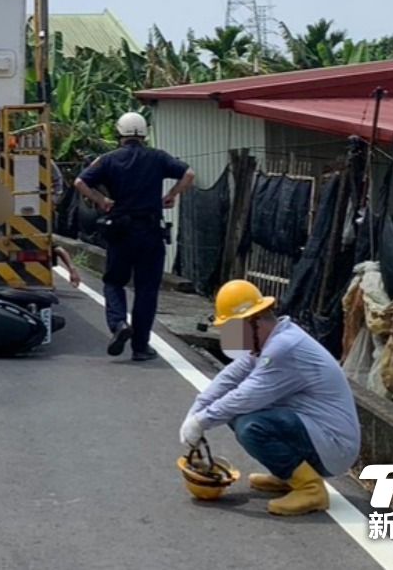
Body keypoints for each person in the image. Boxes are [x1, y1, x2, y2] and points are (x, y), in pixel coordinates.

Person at [178, 280, 361, 516]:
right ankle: (288, 475)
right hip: (319, 434)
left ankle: (310, 488)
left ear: (251, 322)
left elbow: (246, 396)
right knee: (237, 416)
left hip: (335, 446)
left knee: (250, 425)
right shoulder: (266, 342)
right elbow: (230, 377)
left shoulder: (283, 348)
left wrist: (201, 421)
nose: (232, 336)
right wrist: (196, 411)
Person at [74, 112, 194, 361]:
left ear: (119, 134)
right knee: (147, 289)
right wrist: (172, 194)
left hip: (120, 231)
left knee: (114, 281)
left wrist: (102, 200)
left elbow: (79, 182)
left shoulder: (108, 160)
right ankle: (141, 347)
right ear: (144, 134)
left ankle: (118, 324)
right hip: (151, 232)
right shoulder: (158, 157)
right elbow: (189, 174)